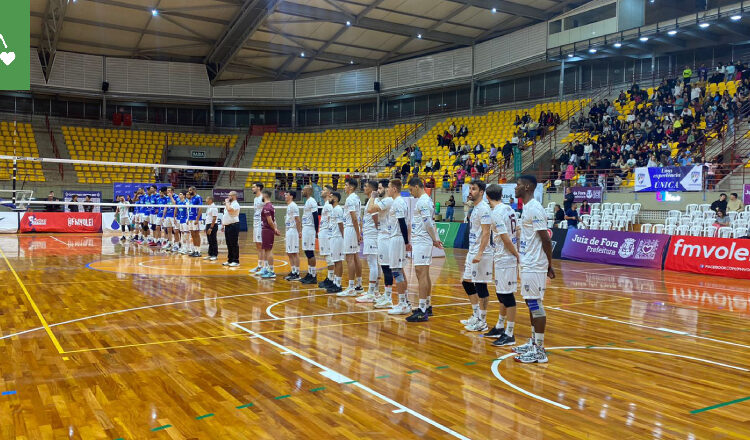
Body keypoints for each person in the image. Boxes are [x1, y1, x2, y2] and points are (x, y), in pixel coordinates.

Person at [513, 175, 555, 364]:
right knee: (531, 303)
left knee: (536, 305)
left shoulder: (535, 208)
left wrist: (549, 264)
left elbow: (545, 238)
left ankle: (539, 350)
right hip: (528, 263)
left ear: (528, 187)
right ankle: (533, 342)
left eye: (518, 185)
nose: (515, 188)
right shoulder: (527, 208)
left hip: (535, 265)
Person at [484, 184, 520, 346]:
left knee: (507, 296)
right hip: (503, 257)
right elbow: (517, 231)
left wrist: (516, 254)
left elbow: (505, 237)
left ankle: (510, 333)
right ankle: (500, 325)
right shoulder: (509, 209)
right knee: (502, 294)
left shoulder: (496, 213)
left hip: (505, 257)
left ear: (487, 197)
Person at [405, 177, 443, 322]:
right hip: (422, 240)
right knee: (424, 273)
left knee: (421, 274)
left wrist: (434, 239)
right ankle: (427, 305)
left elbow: (428, 223)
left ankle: (422, 309)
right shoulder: (424, 201)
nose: (411, 192)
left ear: (416, 187)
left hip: (422, 240)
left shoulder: (423, 201)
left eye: (410, 189)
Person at [461, 180, 494, 332]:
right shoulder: (474, 208)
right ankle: (476, 315)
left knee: (481, 286)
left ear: (481, 192)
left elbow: (486, 232)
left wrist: (480, 253)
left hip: (483, 253)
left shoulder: (484, 209)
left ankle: (483, 320)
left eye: (473, 189)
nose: (470, 192)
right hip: (472, 250)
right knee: (467, 282)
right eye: (470, 189)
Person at [368, 180, 395, 309]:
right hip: (382, 236)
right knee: (384, 267)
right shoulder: (383, 201)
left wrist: (373, 197)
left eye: (379, 188)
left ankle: (389, 297)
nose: (377, 191)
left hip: (387, 237)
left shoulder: (388, 200)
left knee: (387, 267)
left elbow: (370, 209)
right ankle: (386, 295)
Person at [385, 179, 410, 314]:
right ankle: (404, 301)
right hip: (396, 238)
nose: (387, 190)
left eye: (389, 187)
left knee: (397, 271)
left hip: (397, 239)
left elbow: (402, 223)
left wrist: (406, 242)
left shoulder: (399, 202)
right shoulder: (397, 202)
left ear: (394, 189)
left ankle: (402, 304)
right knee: (399, 270)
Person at [355, 181, 381, 303]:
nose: (363, 188)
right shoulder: (371, 200)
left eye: (365, 186)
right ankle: (375, 291)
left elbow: (376, 218)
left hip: (372, 235)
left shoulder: (374, 201)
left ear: (371, 189)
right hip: (371, 234)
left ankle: (371, 293)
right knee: (376, 263)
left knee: (372, 263)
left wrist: (375, 231)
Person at [338, 178, 363, 296]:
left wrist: (358, 233)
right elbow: (358, 217)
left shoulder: (350, 199)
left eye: (346, 185)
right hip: (354, 229)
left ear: (351, 187)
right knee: (355, 256)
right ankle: (359, 284)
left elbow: (354, 217)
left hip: (351, 229)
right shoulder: (357, 198)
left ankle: (351, 287)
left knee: (349, 258)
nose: (344, 187)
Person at [298, 186, 319, 284]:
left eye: (303, 190)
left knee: (310, 252)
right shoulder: (307, 201)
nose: (302, 191)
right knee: (307, 252)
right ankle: (310, 273)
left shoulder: (312, 201)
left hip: (310, 229)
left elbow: (315, 216)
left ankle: (313, 275)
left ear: (309, 191)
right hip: (306, 229)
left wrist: (316, 230)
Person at [326, 192, 345, 293]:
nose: (329, 198)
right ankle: (335, 282)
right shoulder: (334, 209)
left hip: (337, 238)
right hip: (333, 237)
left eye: (331, 196)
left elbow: (341, 225)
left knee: (338, 261)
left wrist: (343, 237)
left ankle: (338, 284)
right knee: (335, 261)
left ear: (336, 198)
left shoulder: (338, 209)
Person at [259, 189, 281, 278]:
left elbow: (270, 221)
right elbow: (273, 220)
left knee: (268, 250)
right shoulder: (271, 206)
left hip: (267, 230)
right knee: (267, 250)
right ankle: (268, 269)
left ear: (264, 195)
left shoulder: (267, 207)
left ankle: (271, 271)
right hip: (267, 229)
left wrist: (275, 229)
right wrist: (275, 228)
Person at [318, 186, 336, 289]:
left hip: (327, 234)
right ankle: (329, 278)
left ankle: (331, 279)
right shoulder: (325, 204)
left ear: (329, 193)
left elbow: (330, 221)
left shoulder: (328, 205)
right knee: (327, 256)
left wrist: (329, 235)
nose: (322, 191)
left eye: (324, 190)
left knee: (329, 257)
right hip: (323, 232)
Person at [283, 191, 302, 280]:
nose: (285, 196)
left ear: (291, 196)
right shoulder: (289, 206)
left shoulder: (294, 206)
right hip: (288, 230)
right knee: (289, 252)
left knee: (294, 252)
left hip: (293, 231)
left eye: (287, 194)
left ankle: (297, 273)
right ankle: (293, 271)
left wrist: (299, 231)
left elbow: (297, 219)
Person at [249, 183, 267, 274]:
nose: (252, 188)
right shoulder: (255, 198)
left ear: (259, 188)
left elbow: (269, 208)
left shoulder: (263, 197)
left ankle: (264, 266)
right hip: (255, 223)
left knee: (262, 245)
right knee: (257, 245)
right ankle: (259, 265)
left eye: (253, 187)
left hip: (262, 223)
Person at [187, 187, 203, 257]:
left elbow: (200, 208)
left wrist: (197, 219)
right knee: (192, 234)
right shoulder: (191, 199)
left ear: (194, 190)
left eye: (190, 190)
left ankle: (198, 251)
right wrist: (188, 219)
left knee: (196, 234)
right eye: (189, 190)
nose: (189, 191)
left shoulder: (198, 197)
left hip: (195, 218)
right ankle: (195, 250)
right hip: (190, 218)